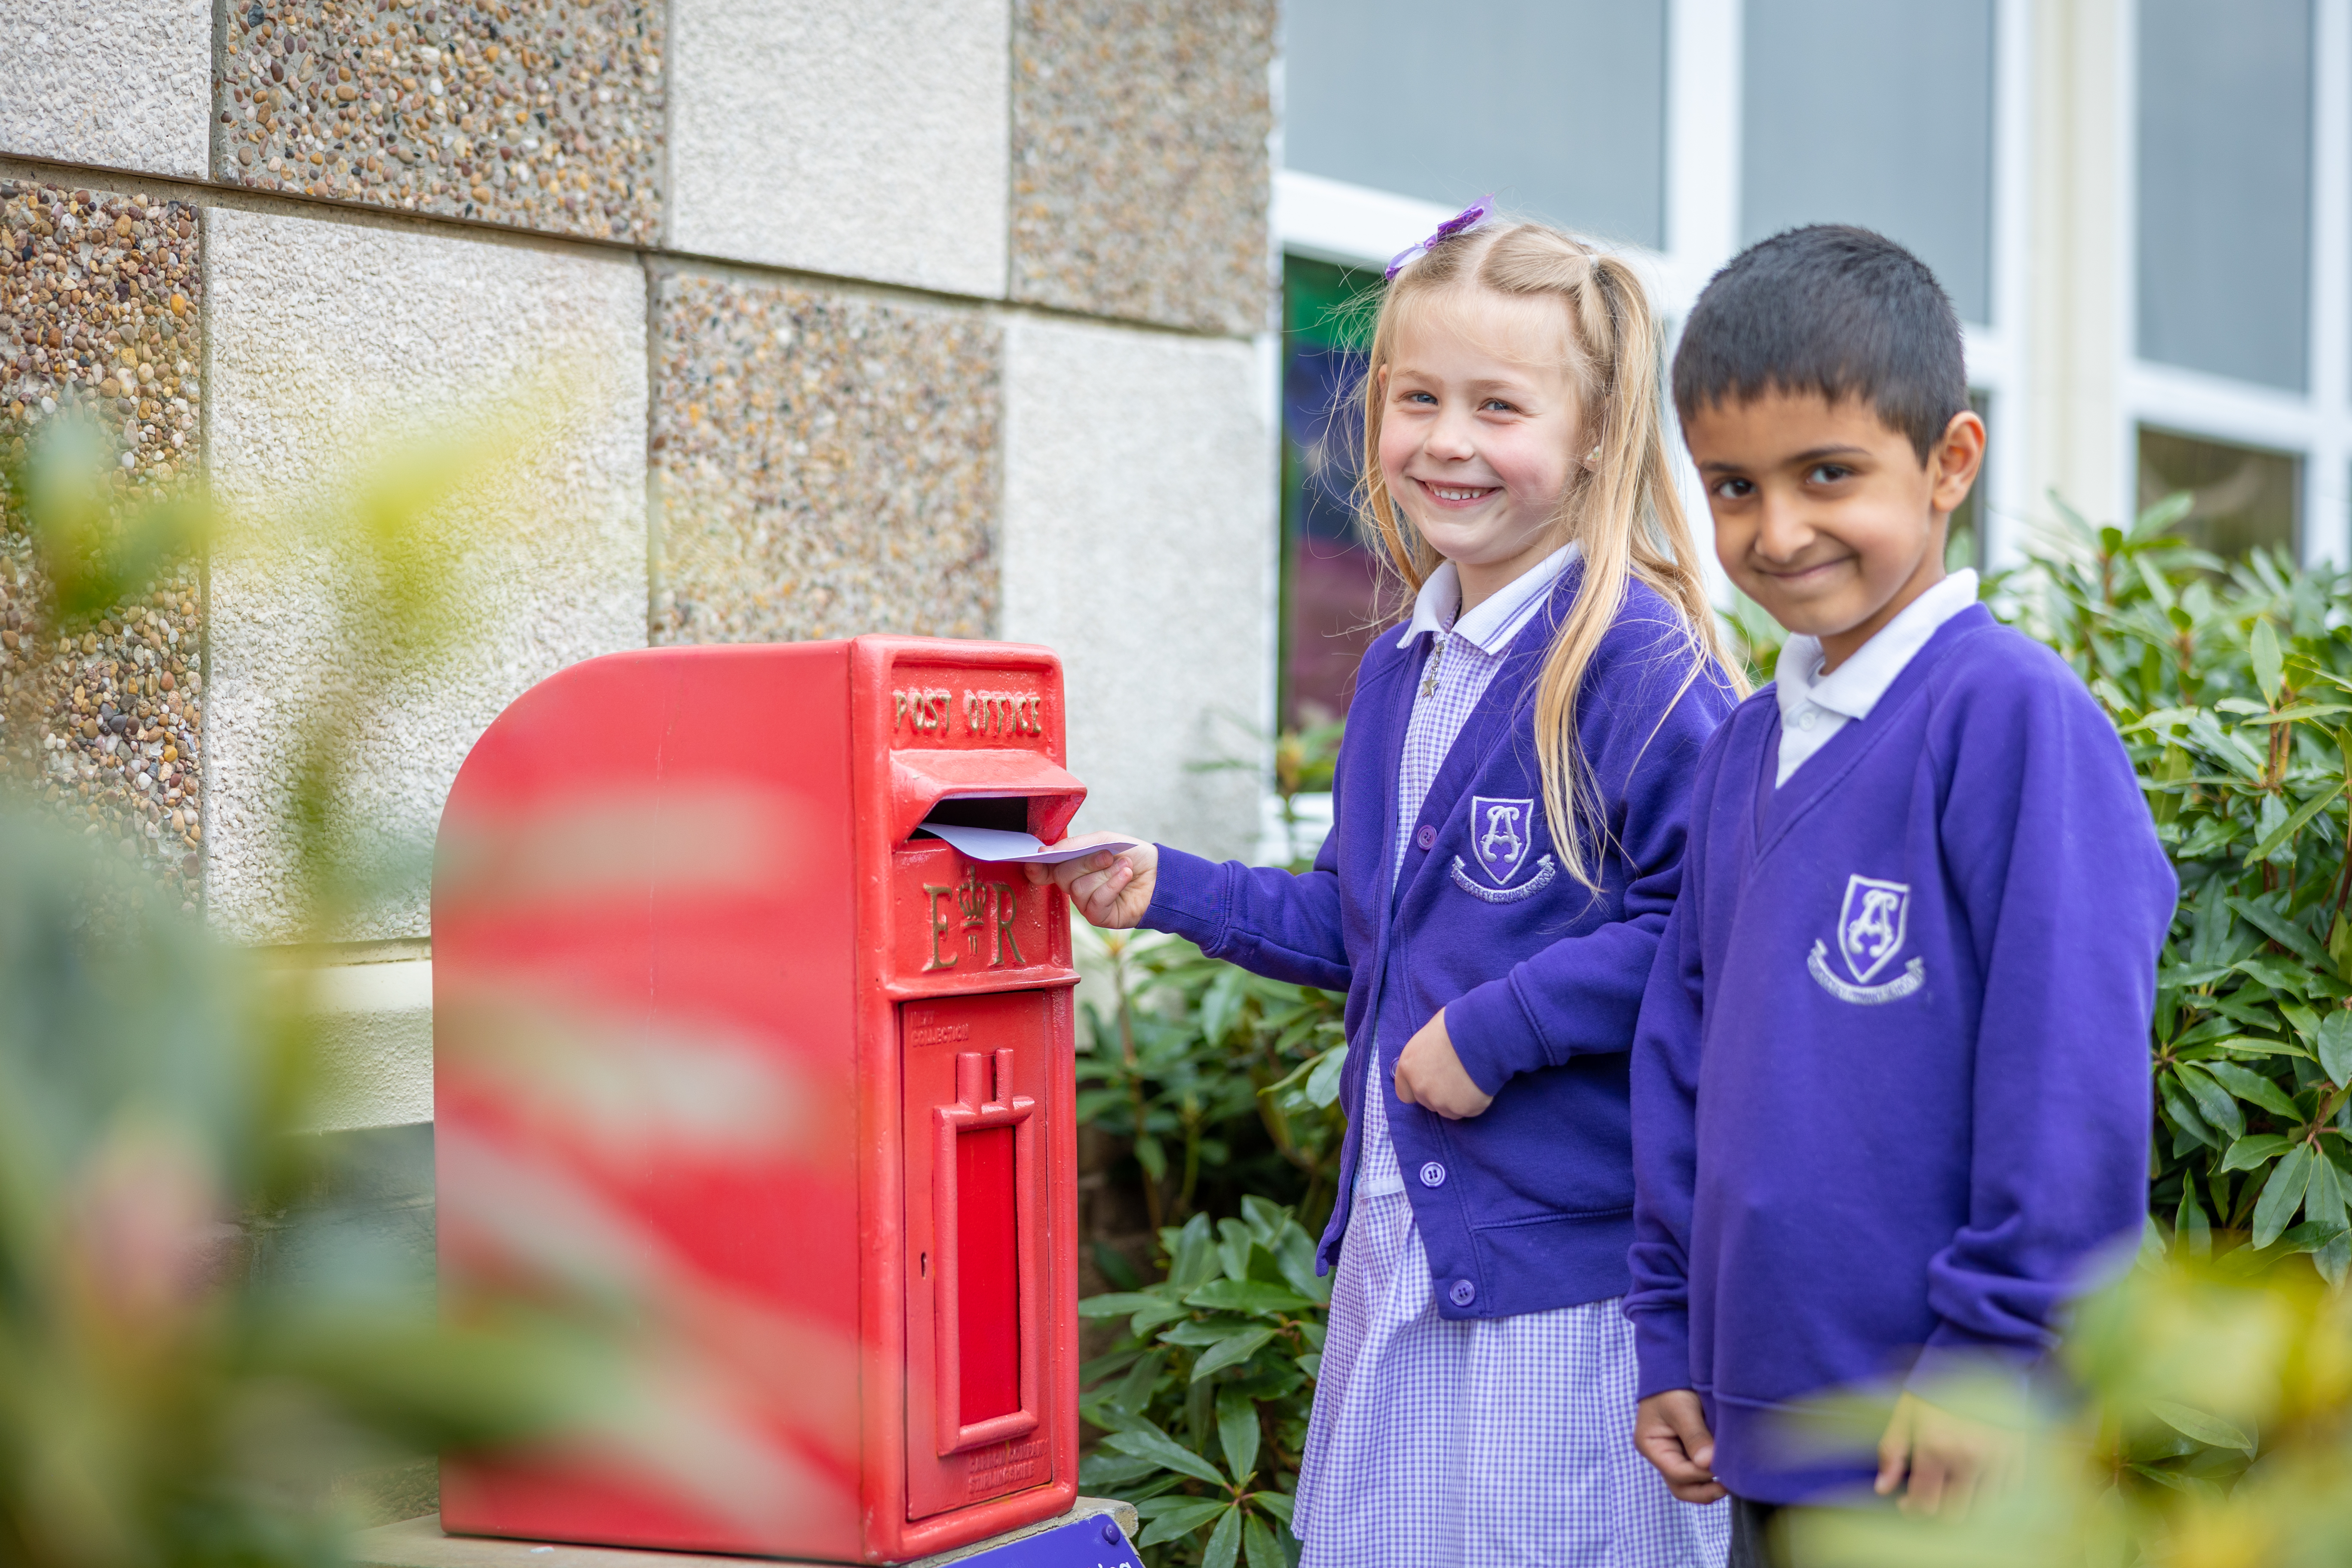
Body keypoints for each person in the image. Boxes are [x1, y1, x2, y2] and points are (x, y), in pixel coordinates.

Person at [1032, 207, 1737, 1568]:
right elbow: (1359, 927)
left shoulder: (1635, 657)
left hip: (1561, 1282)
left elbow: (1712, 923)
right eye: (1418, 398)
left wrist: (1497, 1029)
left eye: (1498, 405)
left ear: (1595, 432)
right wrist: (1162, 884)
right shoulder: (1402, 667)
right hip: (1403, 1250)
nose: (1448, 440)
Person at [1623, 225, 2177, 1566]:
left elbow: (2069, 1077)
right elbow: (1683, 1054)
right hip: (1760, 1423)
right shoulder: (1749, 743)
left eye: (1829, 474)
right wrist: (1668, 1333)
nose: (1779, 530)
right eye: (1733, 488)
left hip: (1948, 1446)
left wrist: (1998, 1353)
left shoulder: (2009, 718)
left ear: (1948, 465)